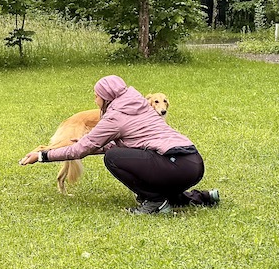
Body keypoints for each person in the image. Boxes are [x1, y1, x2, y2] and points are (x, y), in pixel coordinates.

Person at [20, 75, 219, 214]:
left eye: (96, 95)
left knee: (113, 158)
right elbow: (122, 147)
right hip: (193, 163)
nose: (95, 100)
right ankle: (202, 197)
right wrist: (87, 145)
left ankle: (155, 203)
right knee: (120, 154)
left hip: (175, 165)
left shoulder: (115, 116)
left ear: (106, 96)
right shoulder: (140, 105)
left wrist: (42, 156)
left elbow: (81, 150)